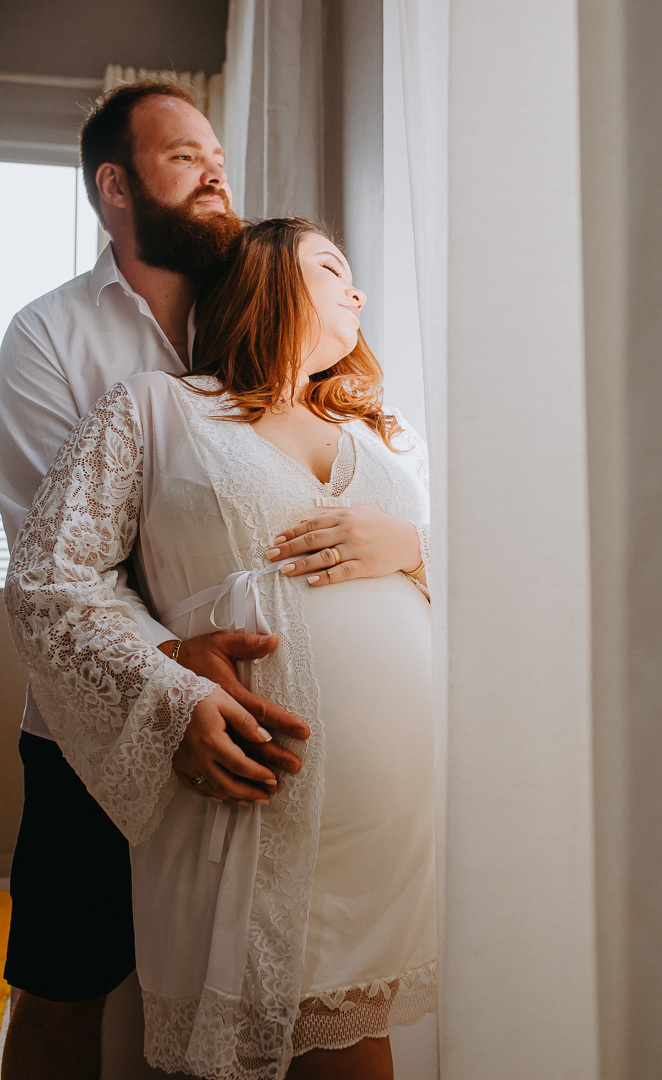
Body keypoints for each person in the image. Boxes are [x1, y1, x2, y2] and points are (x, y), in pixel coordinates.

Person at [5, 218, 437, 1080]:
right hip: (247, 789)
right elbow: (54, 576)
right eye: (330, 269)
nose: (357, 293)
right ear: (267, 282)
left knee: (358, 1043)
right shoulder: (157, 407)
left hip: (392, 825)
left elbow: (508, 597)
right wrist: (170, 686)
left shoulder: (382, 443)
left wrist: (416, 547)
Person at [0, 80, 311, 1080]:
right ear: (115, 186)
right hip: (86, 738)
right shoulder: (49, 338)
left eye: (216, 152)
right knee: (61, 995)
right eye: (183, 157)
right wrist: (173, 667)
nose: (215, 170)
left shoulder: (270, 313)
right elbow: (54, 553)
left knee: (269, 999)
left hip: (268, 718)